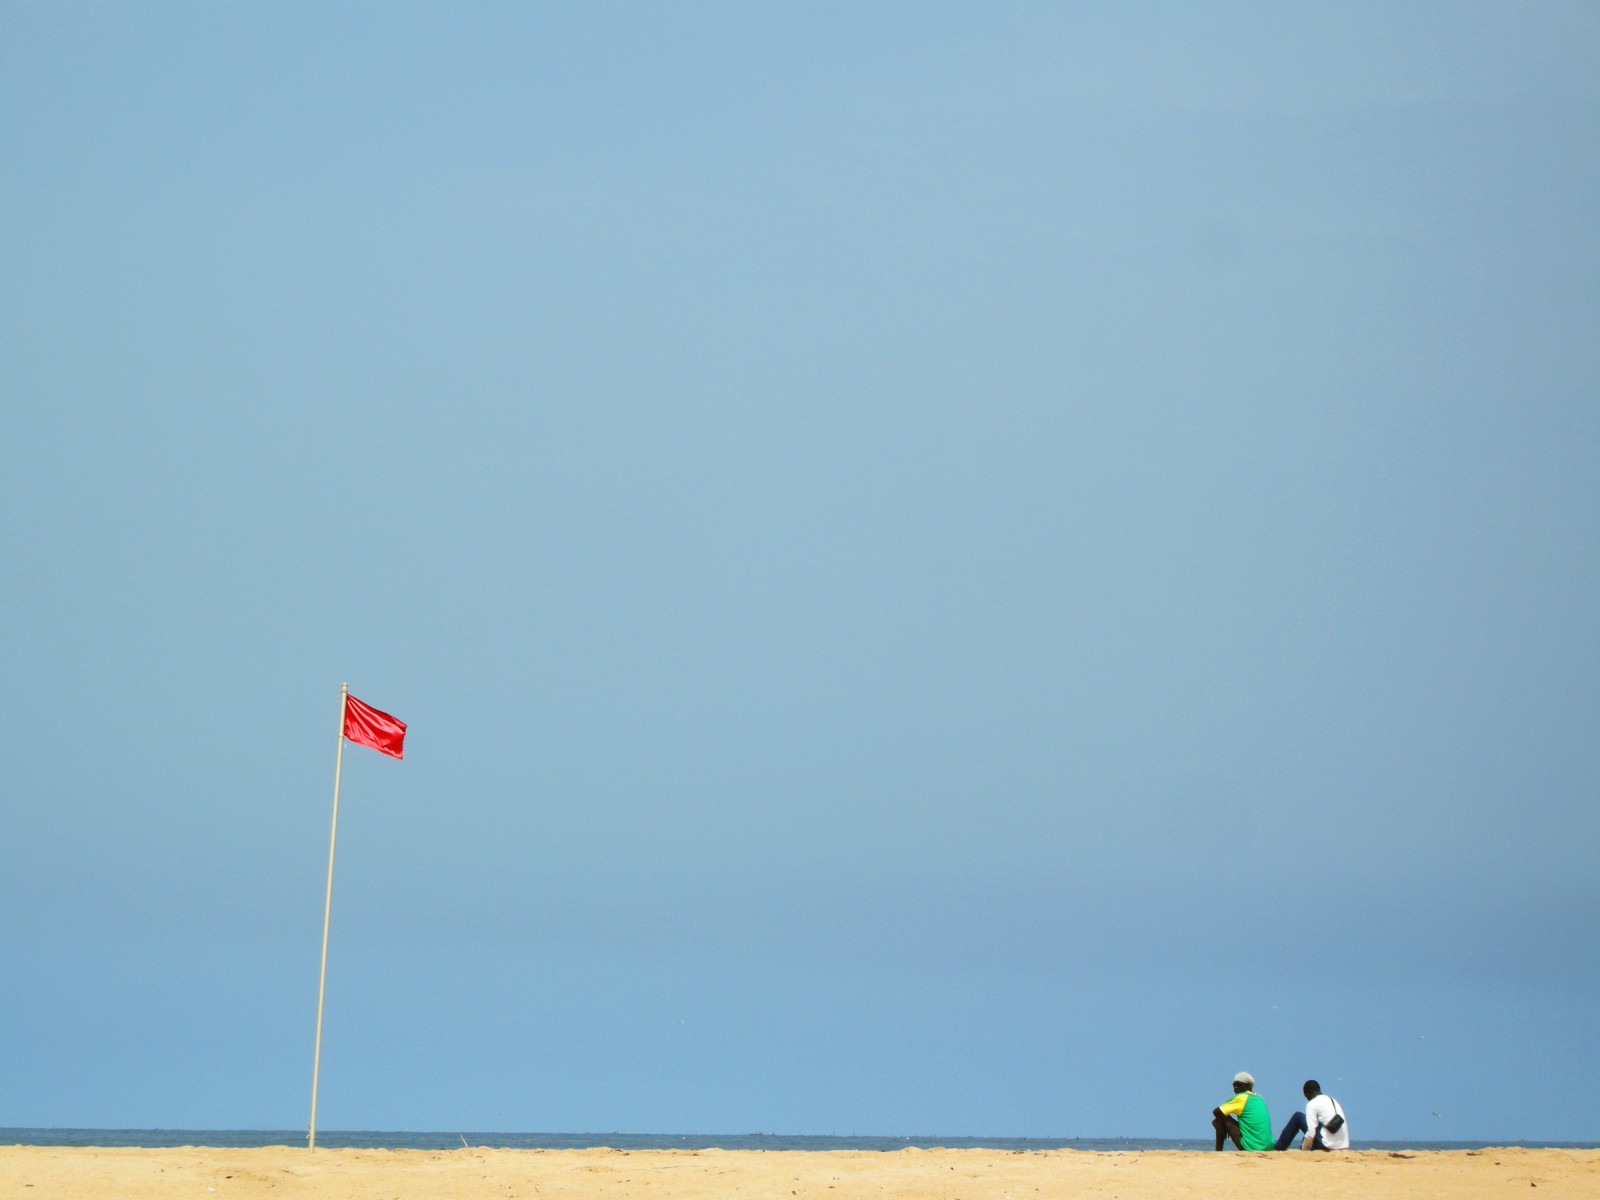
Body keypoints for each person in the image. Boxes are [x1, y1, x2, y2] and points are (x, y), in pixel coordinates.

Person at [1274, 1079, 1350, 1151]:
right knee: (1318, 1123)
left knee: (1298, 1117)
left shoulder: (1312, 1104)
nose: (1307, 1099)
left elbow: (1311, 1133)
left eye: (1306, 1096)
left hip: (1327, 1145)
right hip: (1342, 1145)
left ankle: (1278, 1148)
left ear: (1310, 1092)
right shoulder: (1333, 1100)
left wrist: (1304, 1148)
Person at [1212, 1071, 1274, 1151]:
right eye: (1234, 1085)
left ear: (1248, 1086)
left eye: (1239, 1084)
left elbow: (1216, 1111)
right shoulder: (1260, 1098)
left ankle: (1218, 1151)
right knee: (1222, 1116)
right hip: (1269, 1147)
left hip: (1253, 1147)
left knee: (1220, 1119)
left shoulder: (1242, 1097)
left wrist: (1223, 1126)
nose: (1235, 1087)